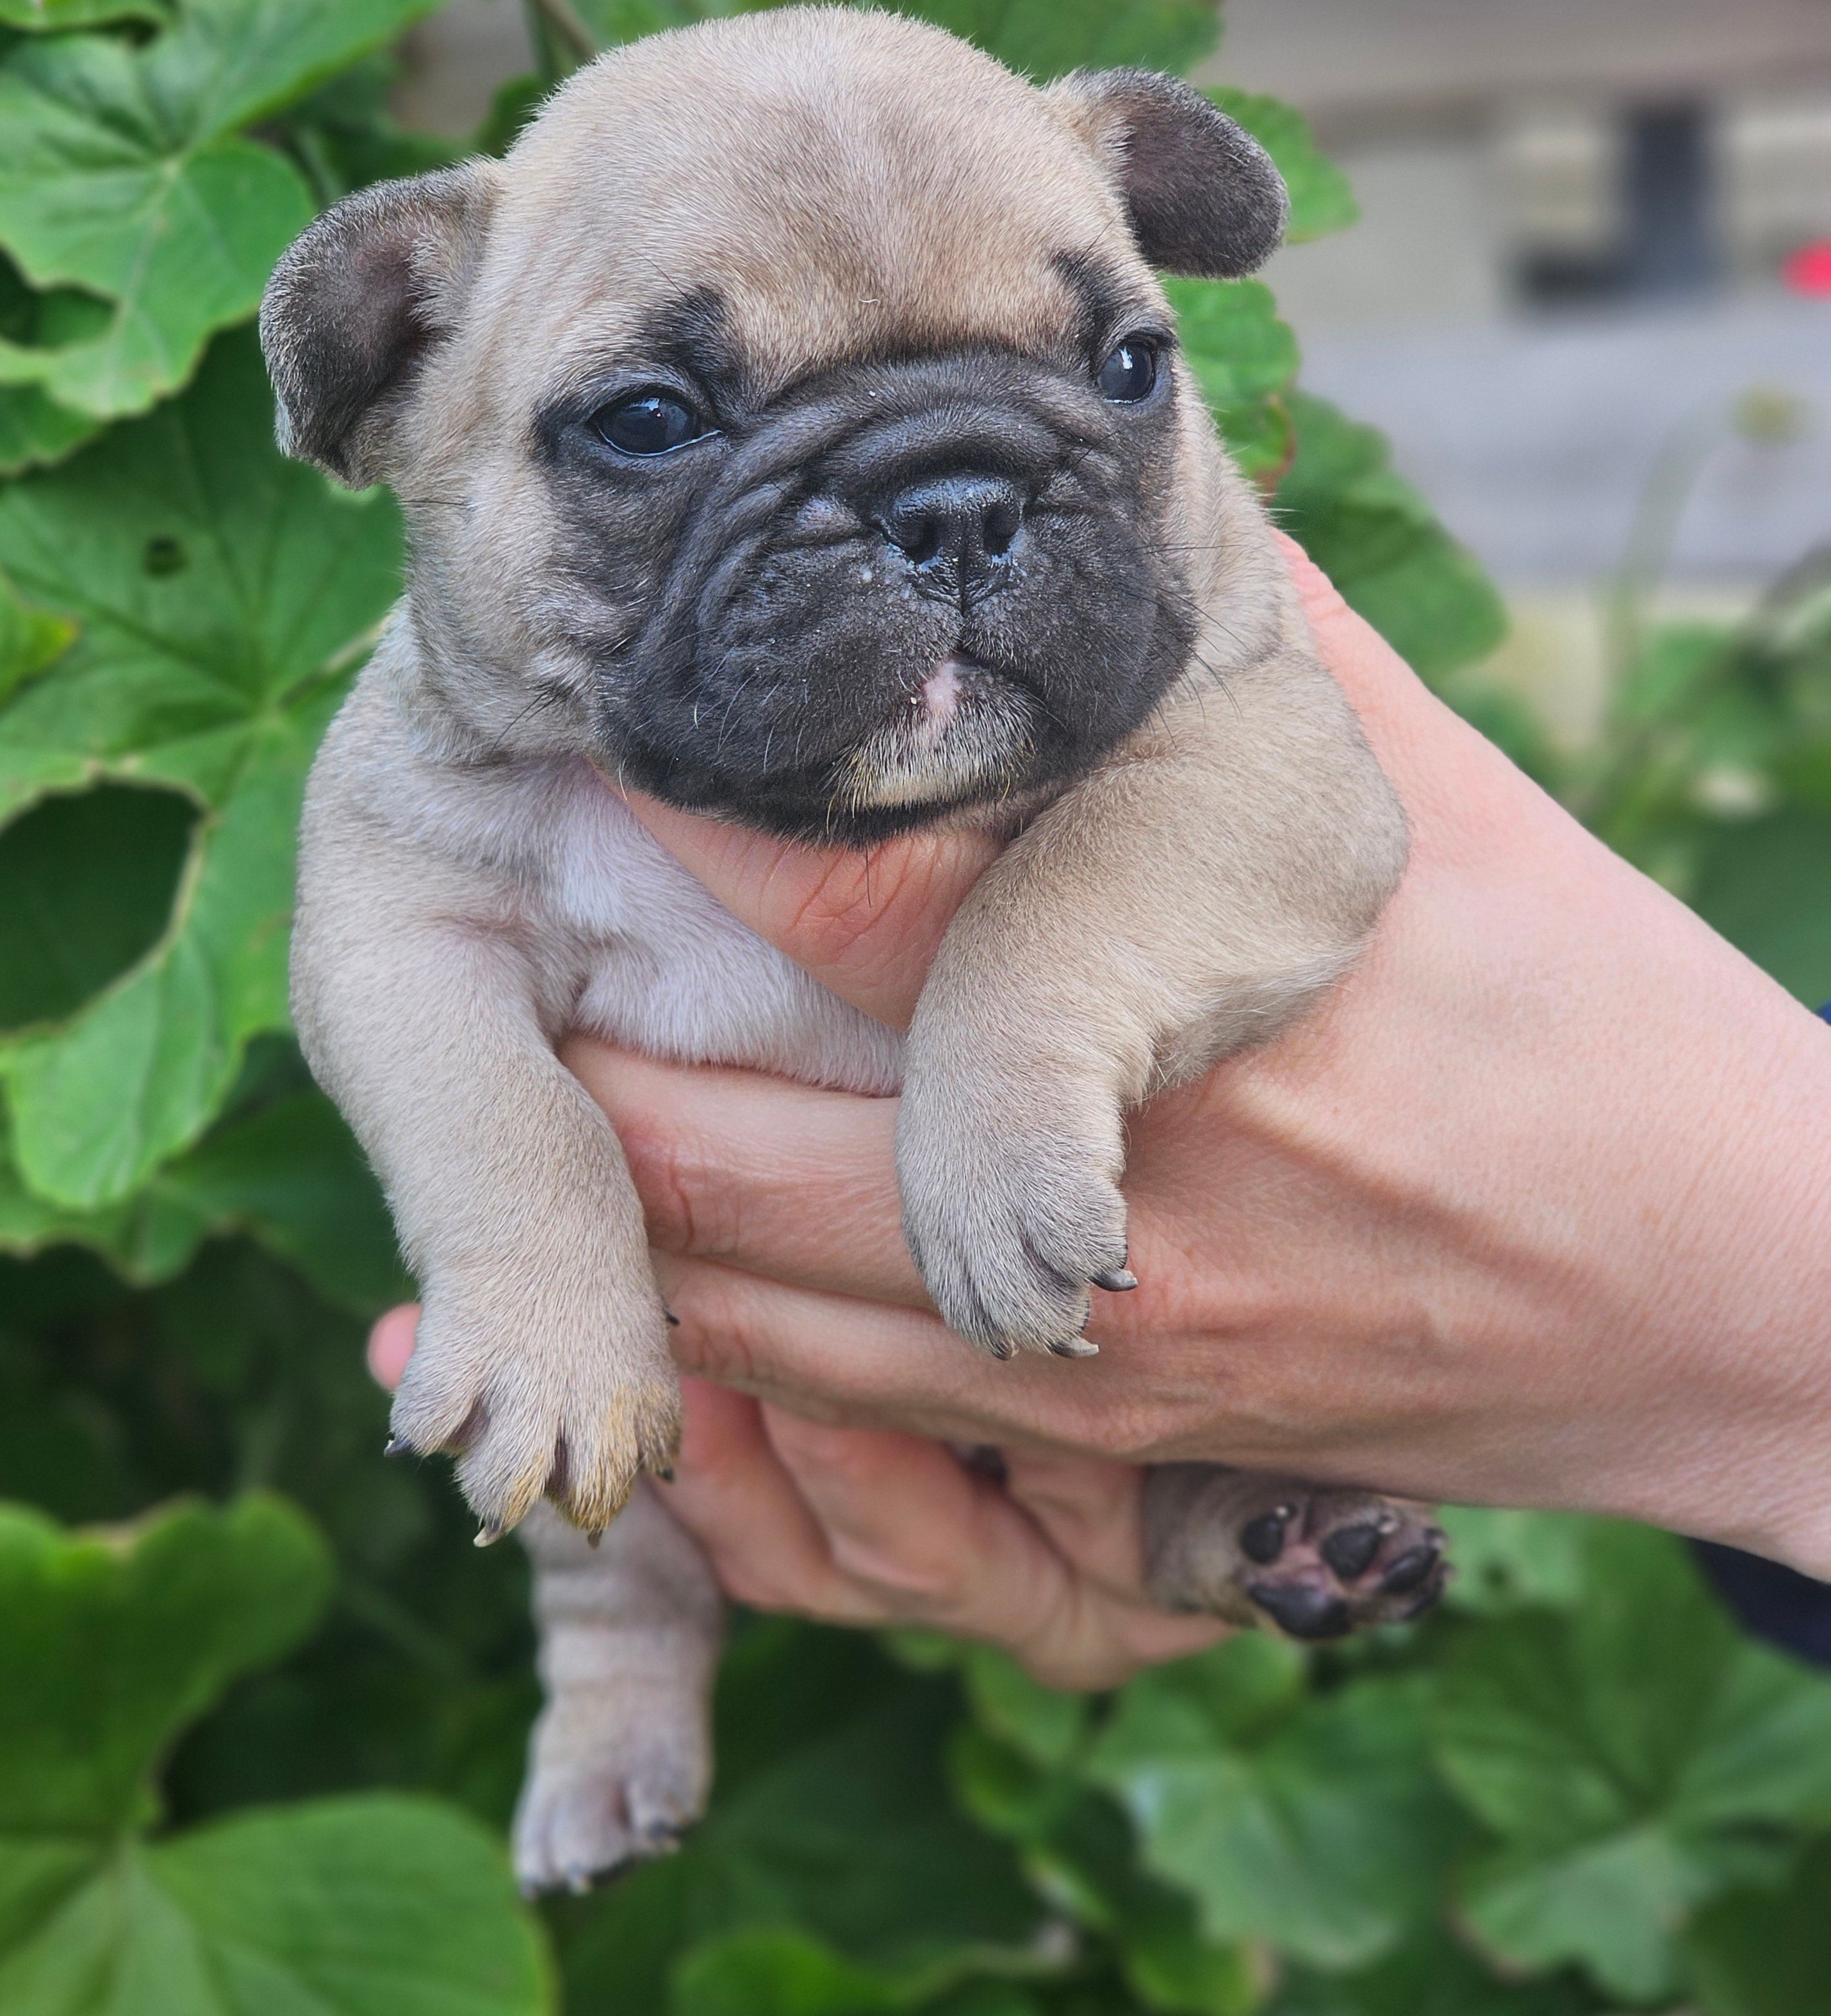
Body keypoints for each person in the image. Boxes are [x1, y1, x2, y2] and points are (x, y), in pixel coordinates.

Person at [368, 540, 1831, 1685]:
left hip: (1150, 1276)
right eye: (653, 419)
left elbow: (1279, 809)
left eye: (1115, 369)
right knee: (595, 1413)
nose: (932, 518)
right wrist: (523, 1238)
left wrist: (1768, 1331)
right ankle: (620, 1670)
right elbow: (399, 944)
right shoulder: (460, 733)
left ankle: (1209, 1518)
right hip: (768, 1359)